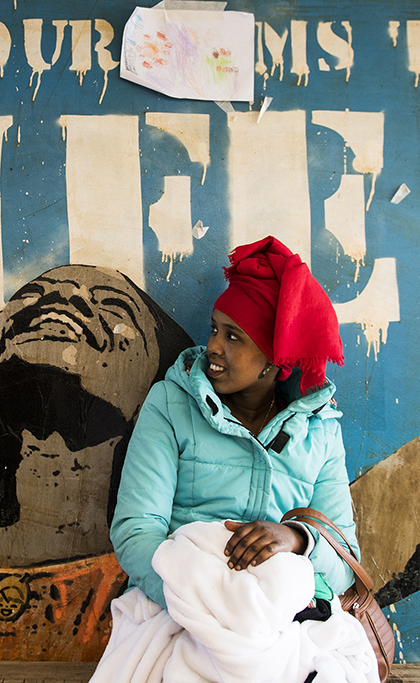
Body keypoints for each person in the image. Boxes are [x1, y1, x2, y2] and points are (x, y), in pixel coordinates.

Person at [107, 236, 363, 680]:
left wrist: (295, 540)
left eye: (234, 336)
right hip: (180, 603)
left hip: (288, 613)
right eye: (213, 328)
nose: (214, 346)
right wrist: (210, 601)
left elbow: (344, 562)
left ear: (272, 359)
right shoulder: (171, 405)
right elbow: (135, 531)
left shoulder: (320, 433)